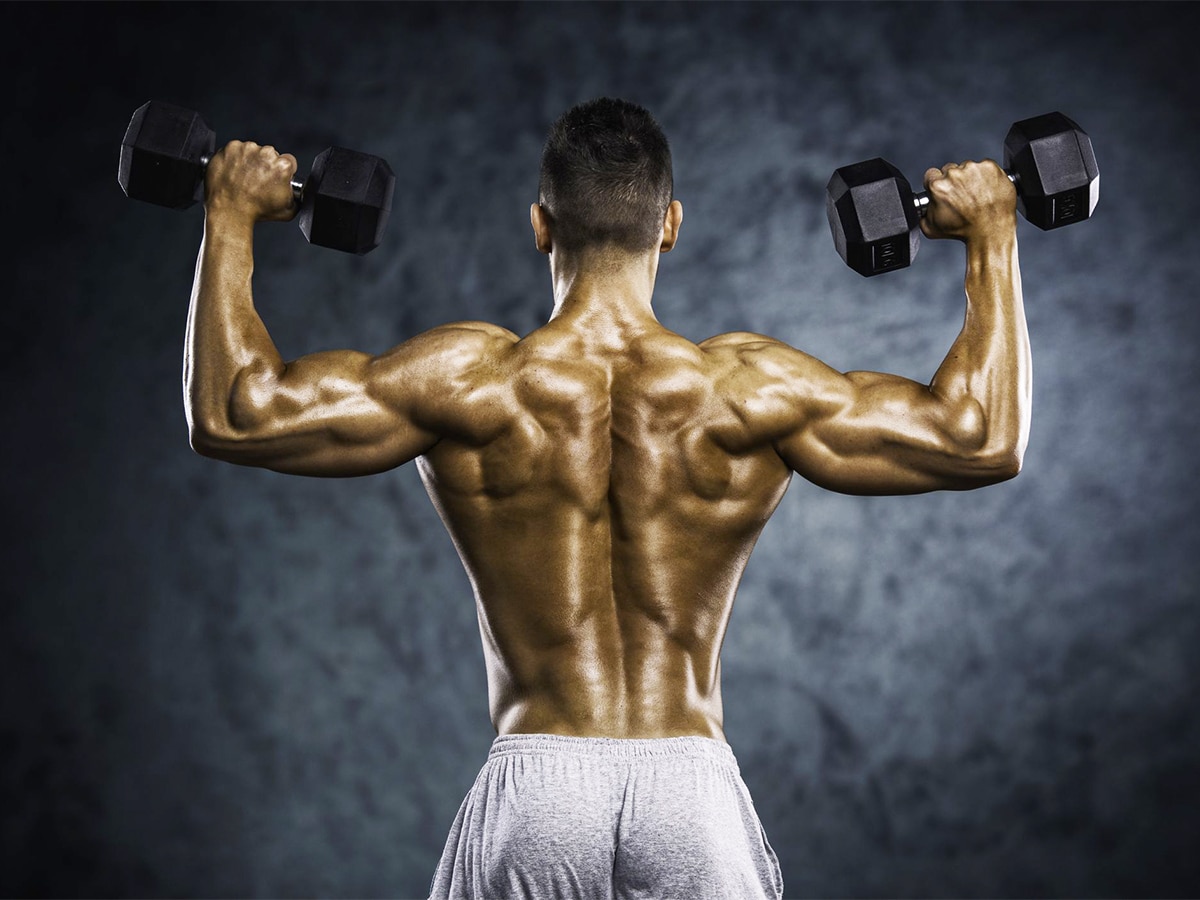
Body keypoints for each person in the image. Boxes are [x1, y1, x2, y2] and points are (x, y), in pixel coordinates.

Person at [184, 98, 1029, 900]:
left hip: (537, 786)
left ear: (540, 225)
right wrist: (991, 236)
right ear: (670, 225)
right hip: (690, 793)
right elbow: (981, 438)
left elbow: (235, 415)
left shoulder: (471, 381)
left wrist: (230, 215)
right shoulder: (744, 388)